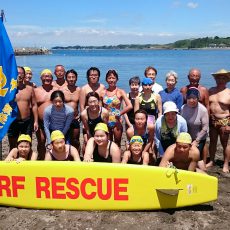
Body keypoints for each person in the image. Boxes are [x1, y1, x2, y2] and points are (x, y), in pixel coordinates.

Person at [7, 66, 38, 150]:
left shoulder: (30, 89)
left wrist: (35, 121)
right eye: (17, 73)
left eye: (21, 73)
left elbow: (34, 105)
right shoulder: (8, 89)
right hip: (12, 121)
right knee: (13, 146)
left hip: (26, 122)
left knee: (27, 145)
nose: (19, 75)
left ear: (24, 75)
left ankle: (26, 162)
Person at [207, 69, 230, 176]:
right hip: (212, 120)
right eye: (218, 78)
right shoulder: (211, 91)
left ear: (227, 79)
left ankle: (225, 164)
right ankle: (212, 160)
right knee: (212, 141)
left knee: (225, 143)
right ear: (215, 79)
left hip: (225, 121)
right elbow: (206, 105)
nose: (220, 80)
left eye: (223, 78)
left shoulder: (228, 93)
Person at [101, 69, 132, 147]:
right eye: (109, 78)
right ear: (106, 79)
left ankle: (117, 158)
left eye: (113, 78)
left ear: (117, 79)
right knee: (107, 142)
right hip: (106, 120)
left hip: (117, 121)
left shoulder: (120, 92)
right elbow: (100, 108)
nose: (111, 80)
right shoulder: (102, 92)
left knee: (117, 143)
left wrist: (119, 113)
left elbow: (129, 106)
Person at [181, 88, 209, 170]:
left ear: (198, 98)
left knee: (195, 156)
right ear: (186, 98)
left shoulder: (202, 110)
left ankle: (203, 173)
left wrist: (196, 141)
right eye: (189, 98)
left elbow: (205, 128)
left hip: (199, 138)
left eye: (194, 98)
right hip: (187, 137)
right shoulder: (183, 108)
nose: (191, 100)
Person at [34, 69, 57, 159]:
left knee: (55, 141)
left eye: (49, 76)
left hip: (54, 121)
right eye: (44, 76)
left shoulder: (56, 91)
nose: (47, 78)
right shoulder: (36, 91)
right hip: (40, 121)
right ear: (41, 78)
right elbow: (33, 106)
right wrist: (34, 121)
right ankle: (41, 159)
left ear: (52, 78)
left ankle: (55, 159)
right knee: (41, 141)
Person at [63, 69, 81, 152]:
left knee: (75, 140)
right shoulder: (62, 90)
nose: (71, 79)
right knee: (63, 139)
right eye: (69, 77)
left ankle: (76, 159)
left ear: (76, 78)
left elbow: (82, 105)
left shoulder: (79, 90)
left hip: (75, 119)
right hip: (64, 119)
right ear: (66, 78)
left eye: (73, 77)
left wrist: (81, 115)